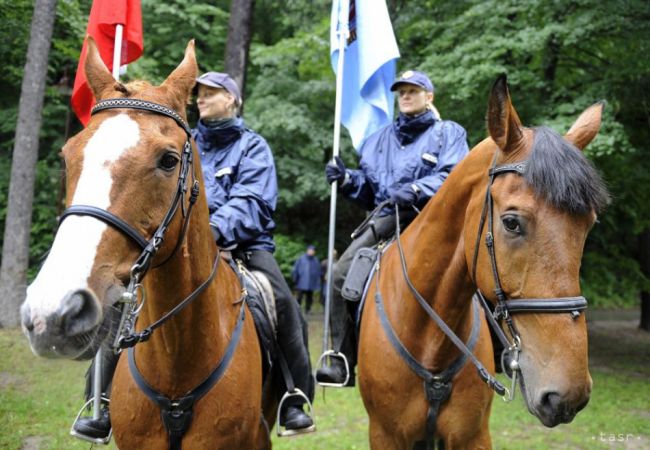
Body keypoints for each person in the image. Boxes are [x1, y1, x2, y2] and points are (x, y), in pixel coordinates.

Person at [73, 72, 315, 439]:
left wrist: (213, 230)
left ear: (232, 100)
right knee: (123, 304)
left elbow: (255, 201)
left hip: (242, 247)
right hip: (178, 248)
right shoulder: (181, 141)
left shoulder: (253, 147)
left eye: (213, 93)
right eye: (199, 93)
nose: (202, 98)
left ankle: (293, 396)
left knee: (280, 300)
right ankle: (102, 401)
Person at [315, 70, 470, 386]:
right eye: (402, 92)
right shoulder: (378, 141)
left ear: (430, 96)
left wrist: (416, 189)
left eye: (414, 90)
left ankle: (501, 350)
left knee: (484, 264)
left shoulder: (448, 133)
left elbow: (454, 175)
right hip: (386, 220)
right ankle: (343, 358)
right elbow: (370, 189)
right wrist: (347, 180)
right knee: (338, 276)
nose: (407, 96)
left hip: (433, 219)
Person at [292, 245, 322, 314]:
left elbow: (318, 272)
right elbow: (295, 269)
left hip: (311, 283)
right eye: (310, 250)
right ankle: (297, 309)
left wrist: (317, 282)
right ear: (307, 250)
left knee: (309, 298)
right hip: (301, 282)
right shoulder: (301, 259)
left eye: (313, 251)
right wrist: (295, 279)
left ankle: (307, 310)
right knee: (299, 297)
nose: (311, 252)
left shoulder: (316, 260)